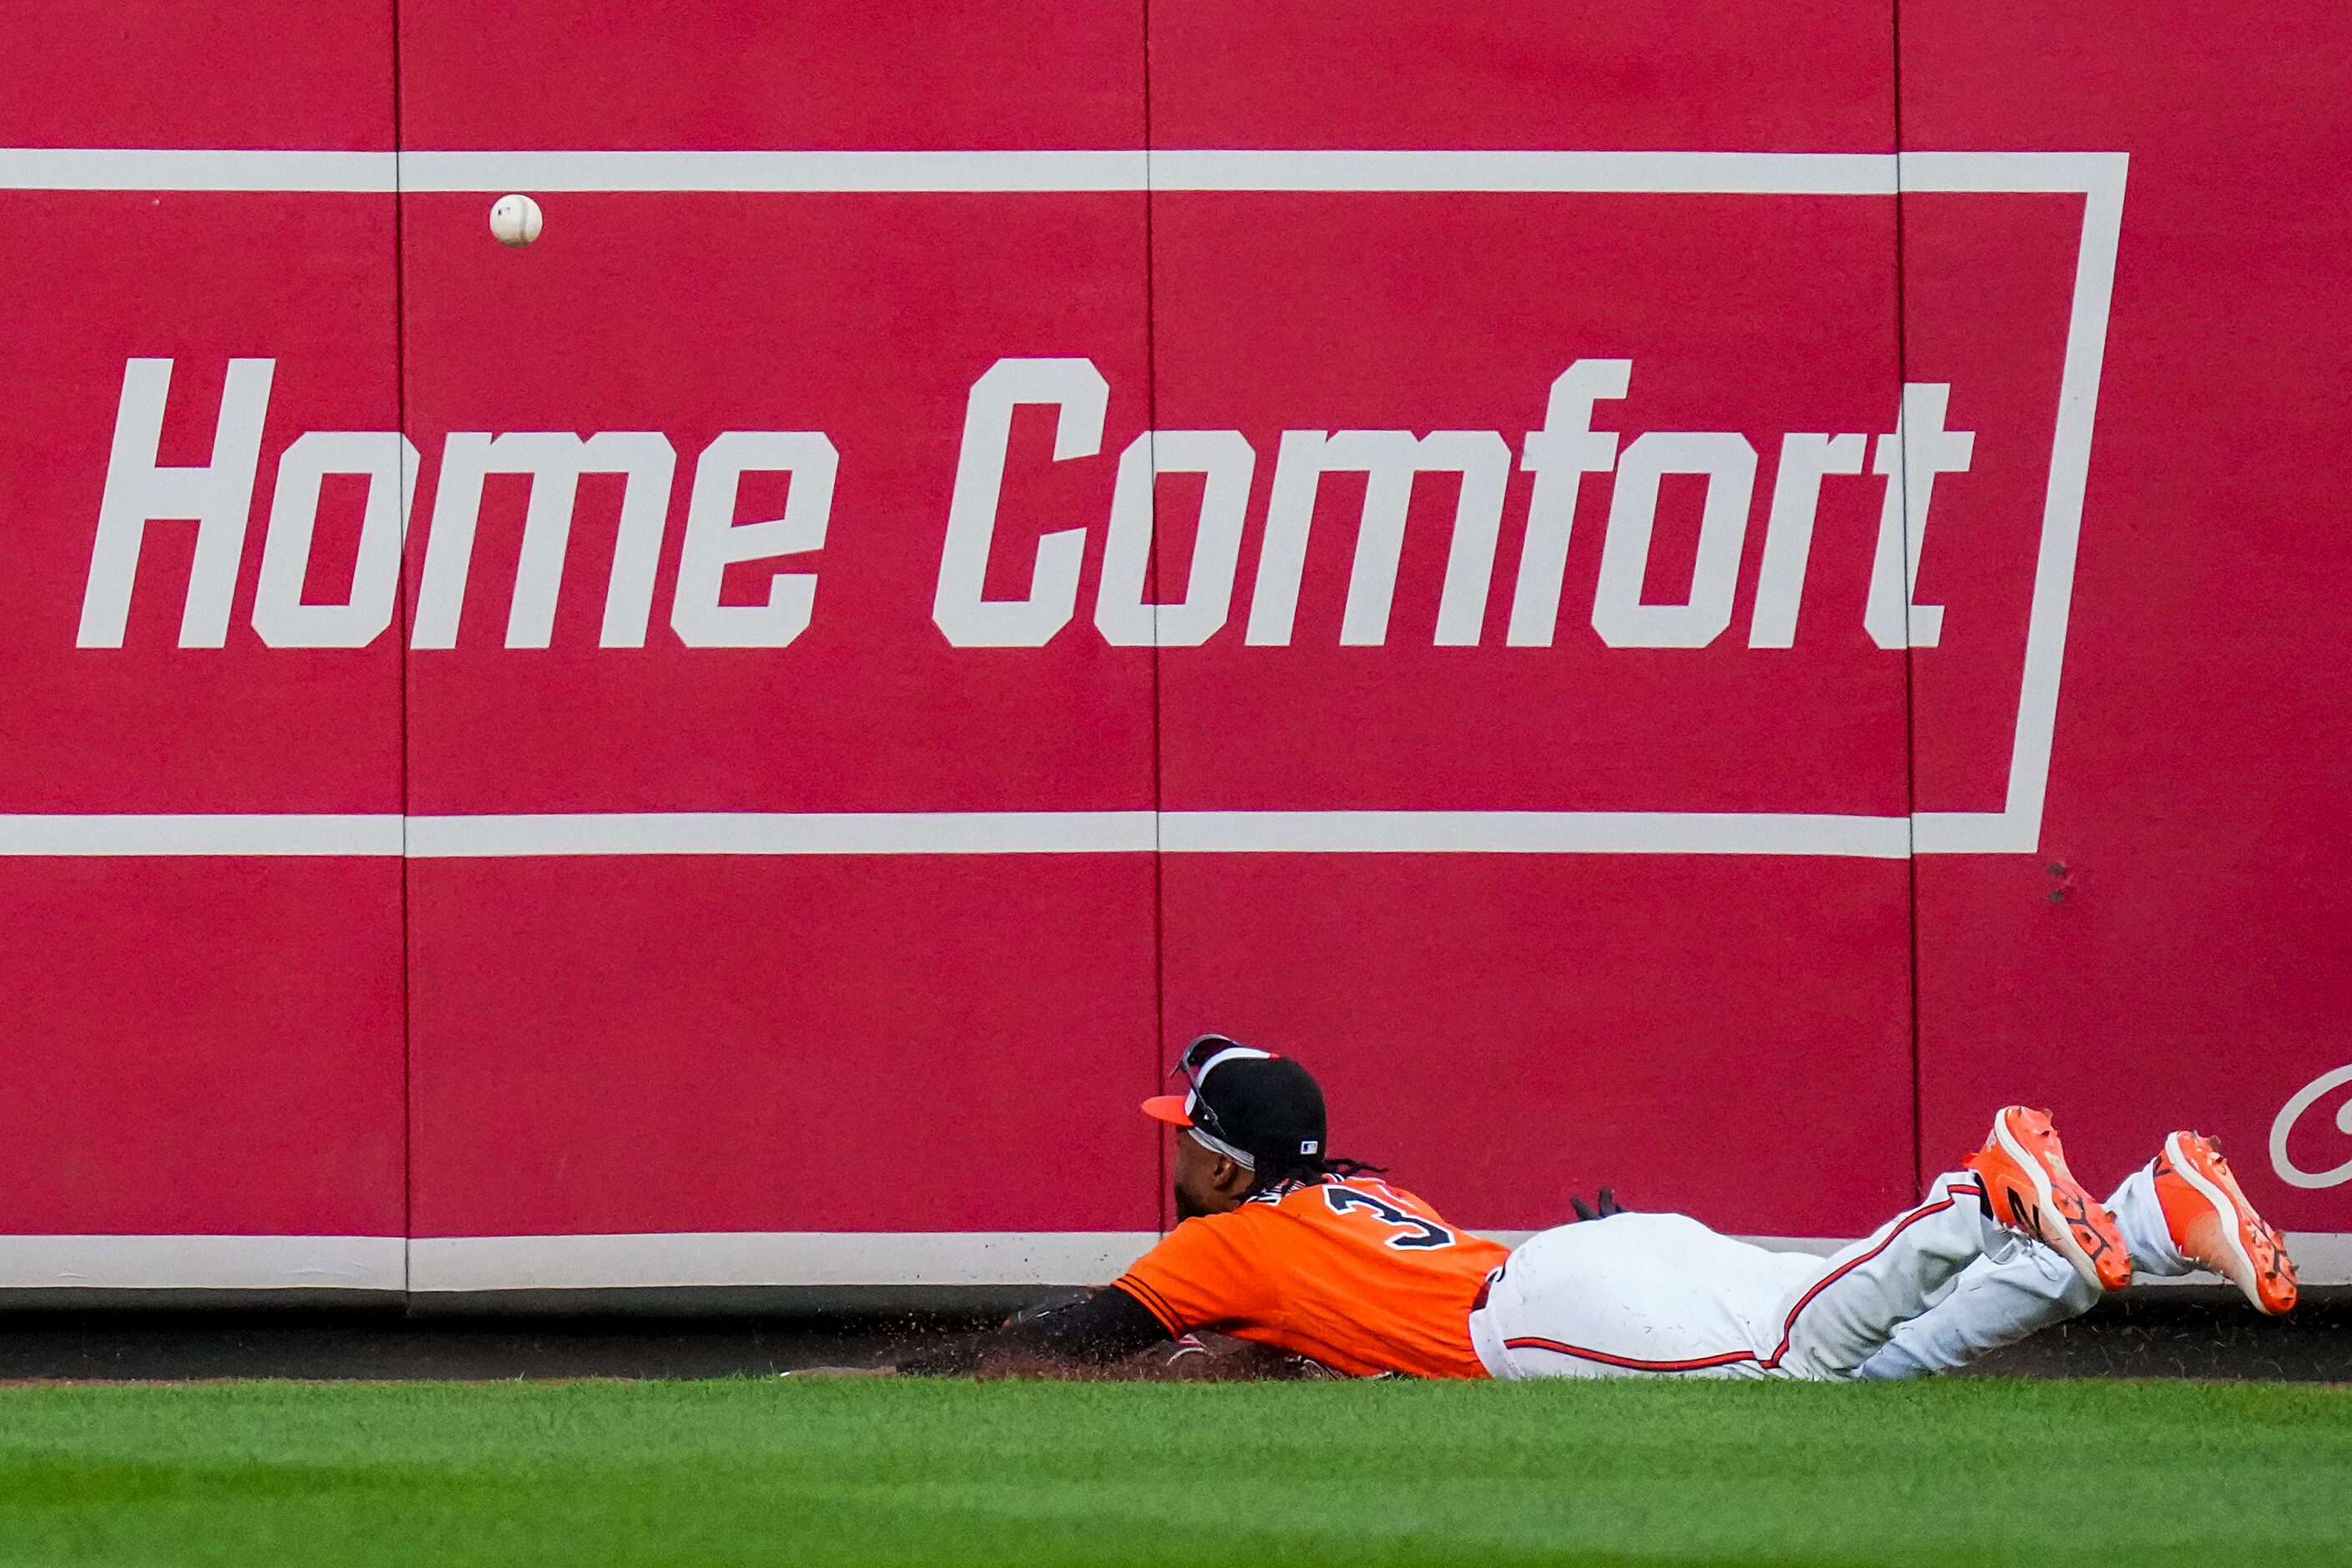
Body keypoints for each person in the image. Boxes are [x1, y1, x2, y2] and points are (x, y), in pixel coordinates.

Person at [895, 1034, 2299, 1380]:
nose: (1171, 1159)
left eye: (1179, 1139)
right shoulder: (1360, 1191)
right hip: (1592, 1255)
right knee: (1872, 1375)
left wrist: (902, 1370)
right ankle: (2150, 1214)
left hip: (1555, 1312)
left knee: (1799, 1355)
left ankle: (1968, 1197)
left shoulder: (1226, 1237)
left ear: (1216, 1161)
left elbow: (1066, 1342)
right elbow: (1294, 1342)